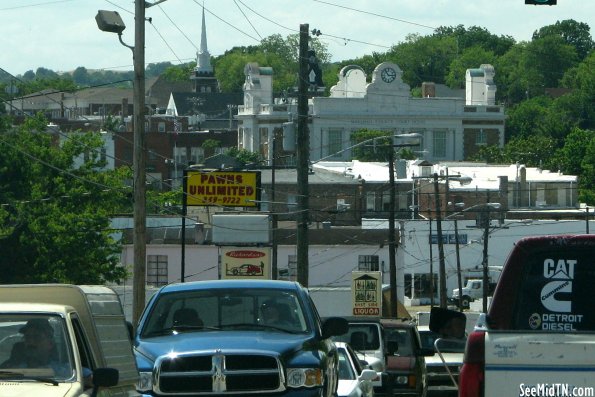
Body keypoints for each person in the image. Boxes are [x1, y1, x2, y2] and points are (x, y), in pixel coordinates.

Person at [0, 318, 71, 376]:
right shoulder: (10, 369)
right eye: (27, 337)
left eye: (37, 337)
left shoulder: (66, 371)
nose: (31, 342)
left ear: (50, 344)